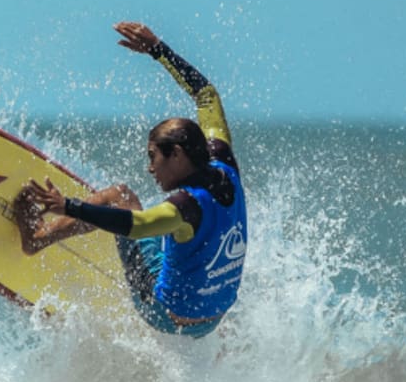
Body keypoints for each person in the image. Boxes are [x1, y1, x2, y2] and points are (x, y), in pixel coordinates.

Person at [15, 21, 247, 338]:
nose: (151, 168)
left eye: (154, 157)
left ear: (176, 154)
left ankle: (36, 238)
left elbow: (137, 224)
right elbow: (206, 97)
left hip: (167, 315)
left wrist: (68, 205)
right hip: (214, 318)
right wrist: (158, 50)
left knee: (120, 197)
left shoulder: (185, 205)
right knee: (185, 239)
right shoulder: (224, 162)